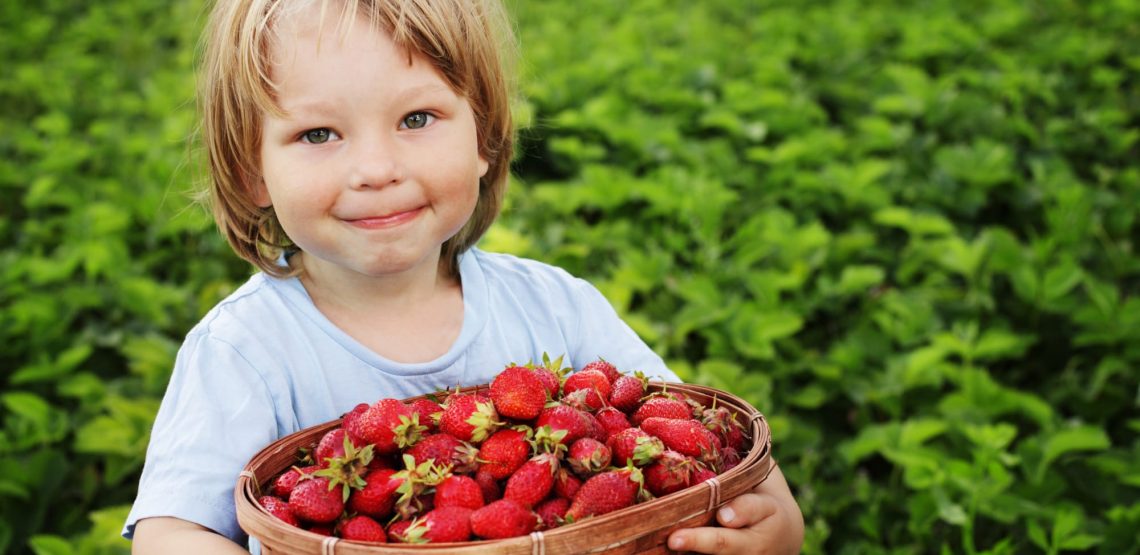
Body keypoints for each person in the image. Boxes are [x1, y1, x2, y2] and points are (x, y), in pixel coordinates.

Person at [124, 0, 805, 553]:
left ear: (484, 138)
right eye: (319, 134)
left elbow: (706, 439)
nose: (376, 168)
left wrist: (771, 523)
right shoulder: (246, 349)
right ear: (252, 171)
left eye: (417, 118)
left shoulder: (558, 309)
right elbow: (171, 530)